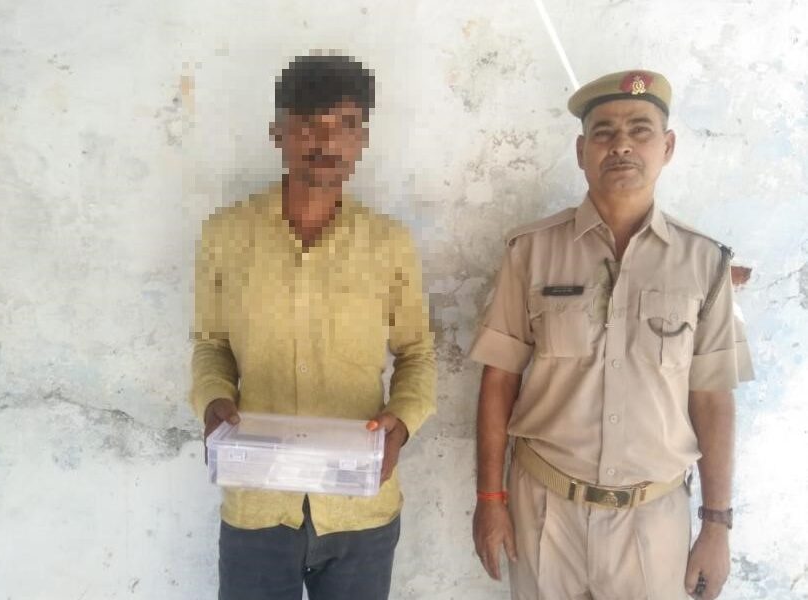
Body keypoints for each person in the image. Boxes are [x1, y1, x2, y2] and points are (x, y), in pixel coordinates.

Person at [469, 70, 753, 600]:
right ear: (582, 152)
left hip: (654, 519)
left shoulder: (704, 262)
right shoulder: (530, 252)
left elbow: (713, 398)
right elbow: (499, 378)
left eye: (640, 130)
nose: (621, 144)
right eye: (603, 132)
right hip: (545, 511)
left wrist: (716, 525)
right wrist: (490, 499)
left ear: (667, 147)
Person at [190, 52, 435, 600]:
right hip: (258, 504)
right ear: (277, 132)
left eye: (344, 124)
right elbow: (211, 344)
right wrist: (212, 402)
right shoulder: (226, 235)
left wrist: (401, 423)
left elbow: (417, 352)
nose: (325, 141)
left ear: (362, 139)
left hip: (359, 509)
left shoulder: (388, 244)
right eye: (307, 123)